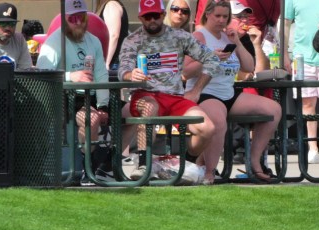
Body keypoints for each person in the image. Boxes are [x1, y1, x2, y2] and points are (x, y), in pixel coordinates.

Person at [118, 0, 222, 180]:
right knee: (149, 108)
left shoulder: (180, 36)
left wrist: (196, 90)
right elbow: (122, 71)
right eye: (147, 16)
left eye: (156, 15)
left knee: (207, 128)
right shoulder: (132, 40)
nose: (152, 20)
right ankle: (143, 165)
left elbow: (212, 59)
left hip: (175, 97)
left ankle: (185, 164)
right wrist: (131, 74)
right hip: (145, 95)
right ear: (140, 18)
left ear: (163, 15)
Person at [187, 0, 280, 183]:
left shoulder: (229, 37)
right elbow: (186, 72)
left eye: (225, 16)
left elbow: (249, 67)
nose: (222, 20)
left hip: (228, 93)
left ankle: (254, 163)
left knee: (274, 109)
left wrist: (237, 41)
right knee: (218, 120)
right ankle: (209, 172)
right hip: (205, 92)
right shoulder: (199, 36)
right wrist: (210, 57)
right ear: (208, 15)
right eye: (218, 16)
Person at [37, 0, 110, 149]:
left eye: (81, 17)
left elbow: (101, 74)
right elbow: (42, 74)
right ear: (64, 19)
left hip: (89, 98)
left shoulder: (94, 41)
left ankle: (103, 157)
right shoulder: (54, 41)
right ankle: (86, 159)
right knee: (91, 119)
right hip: (63, 99)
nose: (78, 22)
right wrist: (70, 76)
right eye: (72, 18)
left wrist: (103, 105)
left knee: (131, 113)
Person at [284, 0, 319, 163]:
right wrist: (284, 53)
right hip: (302, 56)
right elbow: (285, 24)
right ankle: (312, 148)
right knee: (307, 103)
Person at [97, 0, 129, 73]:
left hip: (113, 64)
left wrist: (106, 63)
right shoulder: (109, 5)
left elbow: (114, 35)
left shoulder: (111, 5)